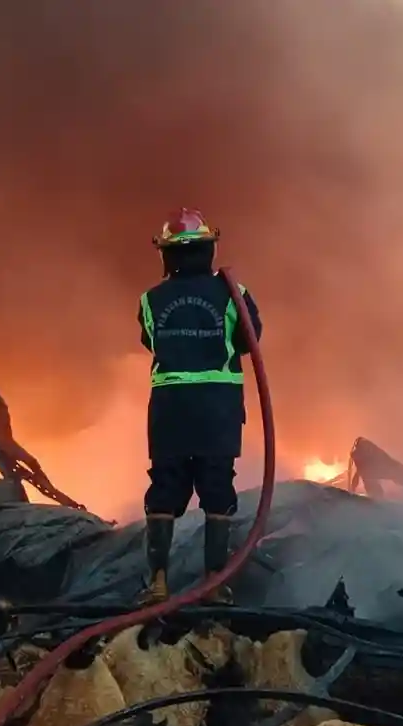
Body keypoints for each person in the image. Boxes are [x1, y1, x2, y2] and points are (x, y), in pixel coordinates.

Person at [137, 208, 262, 604]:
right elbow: (250, 339)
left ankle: (157, 584)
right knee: (216, 487)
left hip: (170, 410)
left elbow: (151, 341)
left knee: (165, 487)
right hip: (217, 410)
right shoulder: (234, 294)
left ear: (167, 255)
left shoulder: (150, 300)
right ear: (207, 249)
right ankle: (214, 583)